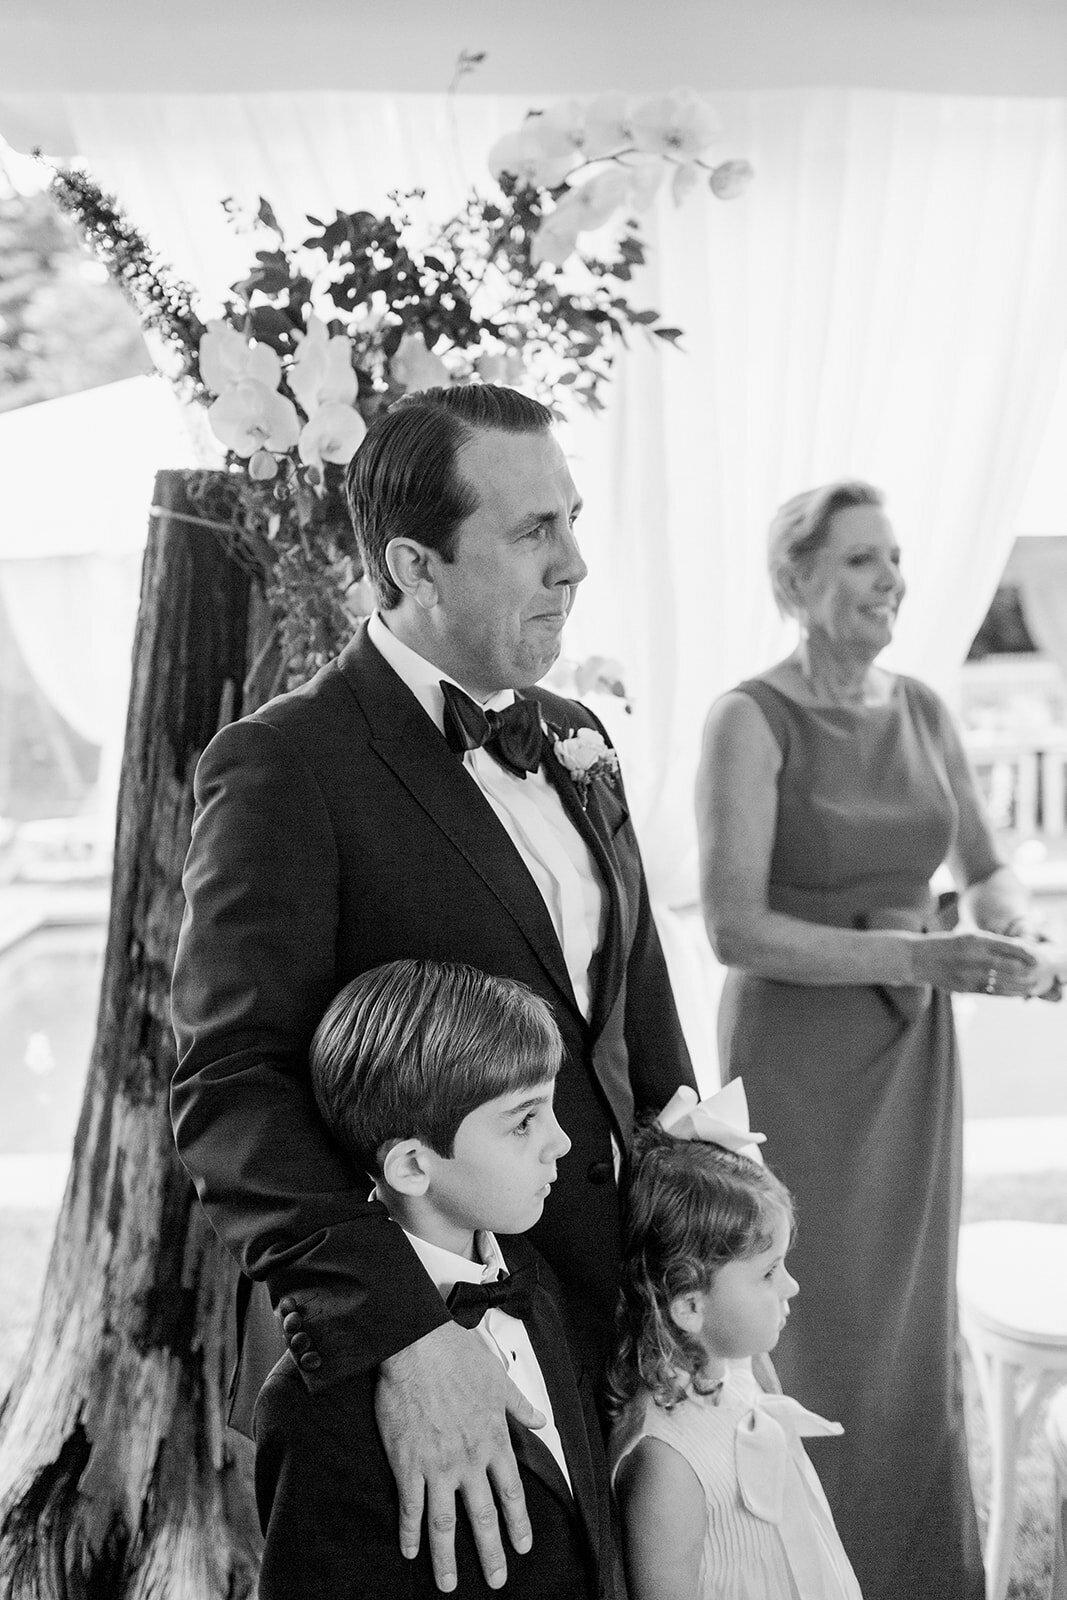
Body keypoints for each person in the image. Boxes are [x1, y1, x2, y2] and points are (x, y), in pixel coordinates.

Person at [170, 382, 694, 1592]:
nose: (574, 564)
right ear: (410, 562)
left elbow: (634, 1015)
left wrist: (690, 1247)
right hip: (436, 1341)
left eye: (572, 519)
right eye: (531, 534)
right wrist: (405, 1331)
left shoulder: (575, 738)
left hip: (612, 1317)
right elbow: (230, 1085)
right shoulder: (284, 766)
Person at [695, 478, 1059, 1600]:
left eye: (892, 558)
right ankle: (796, 1572)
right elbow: (732, 923)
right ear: (793, 581)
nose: (888, 578)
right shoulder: (746, 717)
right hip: (796, 1057)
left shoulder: (922, 709)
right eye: (859, 559)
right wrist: (916, 957)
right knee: (803, 1320)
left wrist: (1014, 930)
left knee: (907, 1331)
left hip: (910, 1057)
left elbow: (987, 867)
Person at [254, 959, 616, 1600]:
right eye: (524, 1120)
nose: (560, 1141)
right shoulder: (314, 1409)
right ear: (414, 1167)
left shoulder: (533, 1279)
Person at [608, 1114, 863, 1600]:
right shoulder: (668, 1466)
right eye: (769, 1273)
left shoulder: (743, 1366)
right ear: (690, 1305)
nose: (791, 1285)